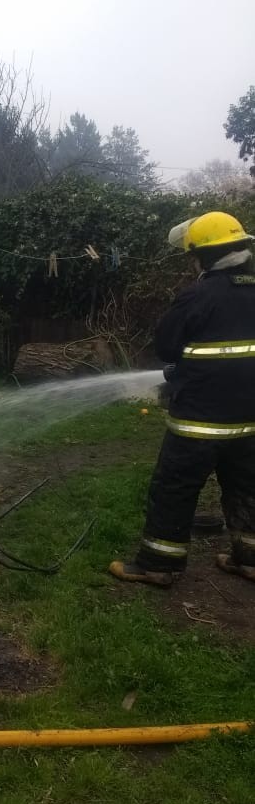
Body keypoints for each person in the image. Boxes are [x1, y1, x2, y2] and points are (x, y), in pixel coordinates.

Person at [110, 211, 255, 587]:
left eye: (192, 256)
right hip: (250, 424)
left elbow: (166, 347)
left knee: (173, 489)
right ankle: (250, 560)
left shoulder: (199, 295)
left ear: (204, 256)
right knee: (246, 488)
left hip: (198, 423)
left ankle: (159, 564)